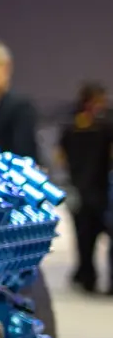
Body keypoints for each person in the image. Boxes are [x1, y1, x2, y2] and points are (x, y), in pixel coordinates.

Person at [59, 82, 113, 293]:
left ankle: (86, 276)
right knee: (89, 238)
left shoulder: (71, 126)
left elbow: (61, 155)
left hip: (82, 190)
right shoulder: (106, 126)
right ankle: (90, 277)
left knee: (84, 239)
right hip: (100, 191)